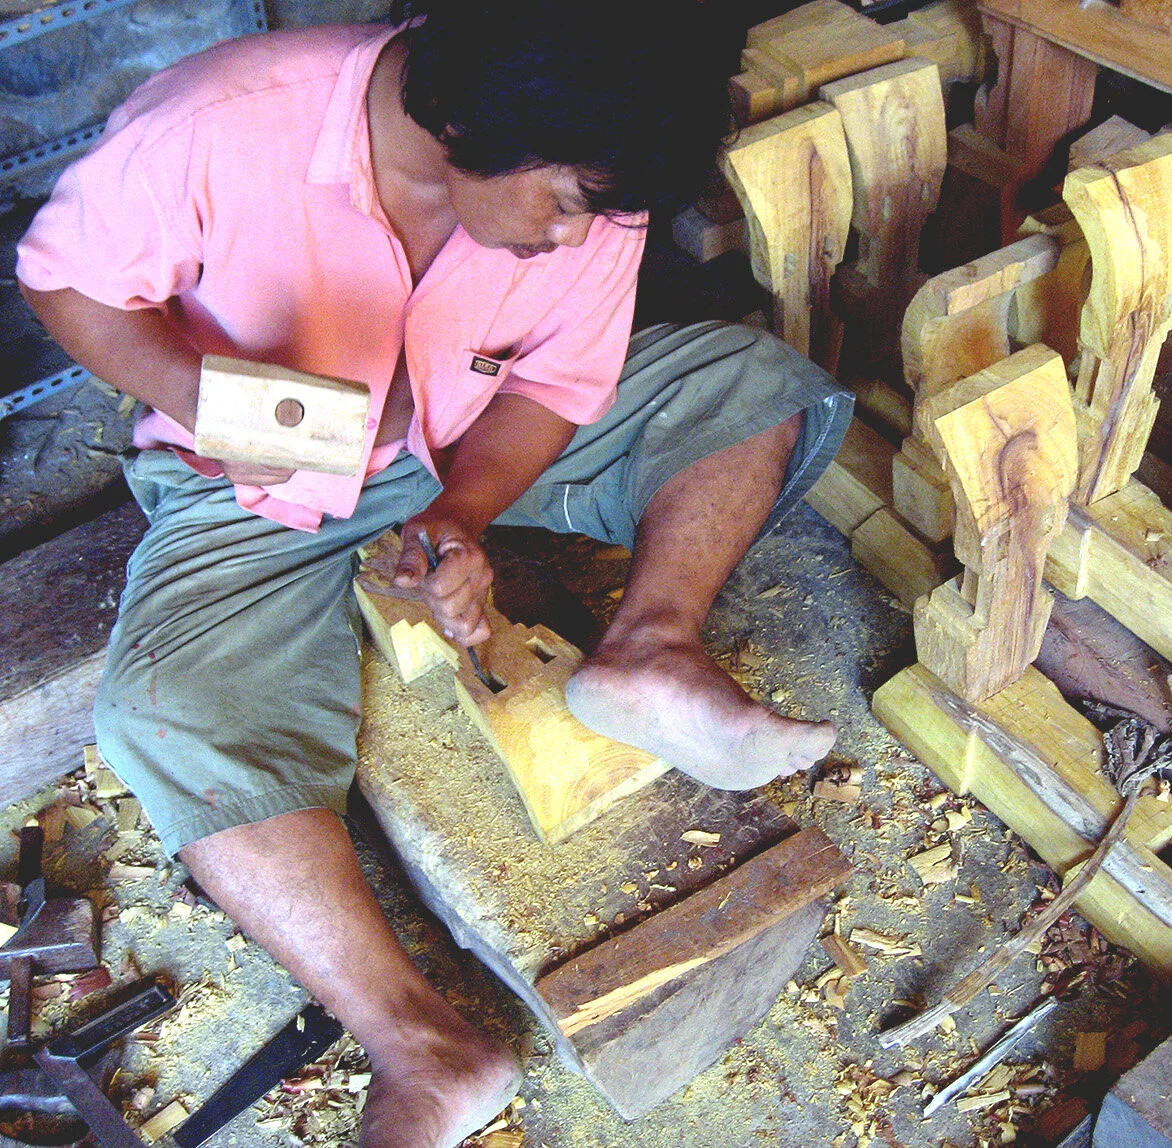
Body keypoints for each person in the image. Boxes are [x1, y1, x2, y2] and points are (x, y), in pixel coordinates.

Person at [16, 4, 851, 1144]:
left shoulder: (587, 158)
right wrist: (202, 396)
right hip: (259, 465)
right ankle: (424, 1045)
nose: (575, 238)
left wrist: (463, 513)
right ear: (467, 124)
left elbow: (554, 385)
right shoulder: (216, 123)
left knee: (746, 381)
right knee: (166, 711)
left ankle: (653, 647)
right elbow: (67, 282)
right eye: (564, 203)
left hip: (457, 438)